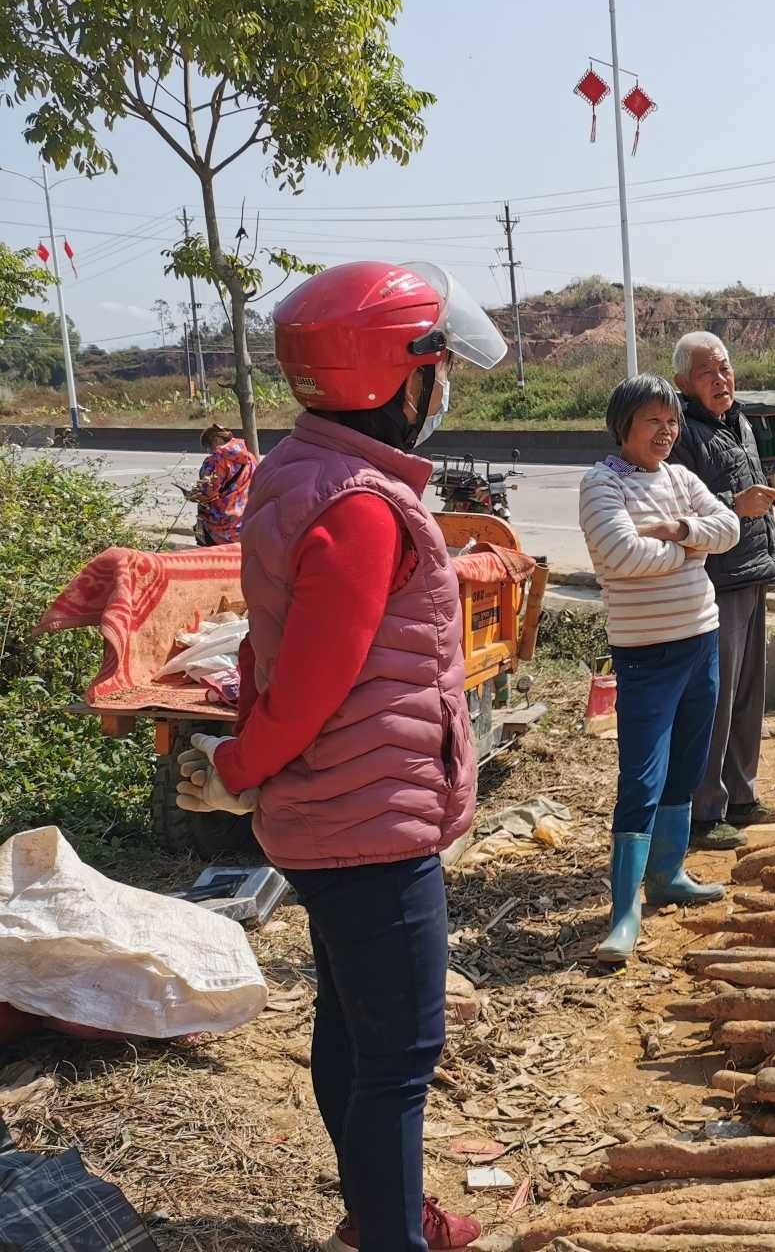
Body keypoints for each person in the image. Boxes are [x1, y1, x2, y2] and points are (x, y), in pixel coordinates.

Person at [171, 260, 510, 1251]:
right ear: (397, 378)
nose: (441, 389)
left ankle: (381, 1216)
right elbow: (314, 689)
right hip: (371, 821)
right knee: (401, 1056)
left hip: (331, 814)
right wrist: (234, 770)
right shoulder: (364, 507)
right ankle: (390, 1235)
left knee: (354, 1032)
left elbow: (273, 648)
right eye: (435, 368)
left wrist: (249, 764)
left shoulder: (295, 473)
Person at [580, 373, 741, 965]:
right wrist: (693, 550)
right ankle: (625, 910)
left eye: (672, 421)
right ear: (623, 425)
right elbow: (618, 555)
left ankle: (668, 874)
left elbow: (730, 528)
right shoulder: (601, 484)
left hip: (701, 639)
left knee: (690, 763)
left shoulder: (680, 479)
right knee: (642, 775)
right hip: (646, 654)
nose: (667, 432)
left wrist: (677, 532)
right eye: (654, 420)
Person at [667, 332, 775, 851]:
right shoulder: (680, 432)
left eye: (725, 369)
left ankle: (741, 793)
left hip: (753, 570)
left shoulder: (738, 421)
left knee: (747, 695)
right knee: (713, 700)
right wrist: (736, 503)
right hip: (715, 580)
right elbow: (678, 503)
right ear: (682, 383)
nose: (721, 380)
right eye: (707, 373)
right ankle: (703, 809)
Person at [185, 422, 257, 544]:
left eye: (208, 446)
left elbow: (207, 493)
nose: (209, 450)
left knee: (216, 560)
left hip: (221, 527)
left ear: (217, 440)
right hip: (247, 522)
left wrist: (192, 496)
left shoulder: (215, 461)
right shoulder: (251, 458)